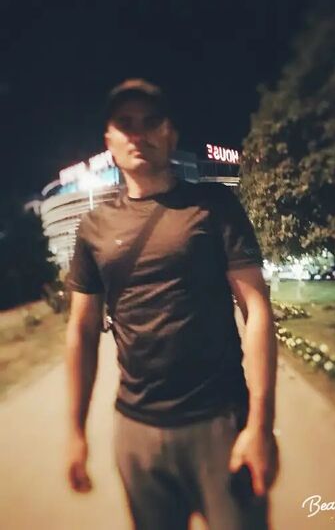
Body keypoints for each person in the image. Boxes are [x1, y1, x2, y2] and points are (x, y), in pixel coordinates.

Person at [65, 78, 279, 530]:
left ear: (171, 134)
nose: (138, 133)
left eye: (151, 121)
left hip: (221, 424)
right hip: (137, 433)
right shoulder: (94, 227)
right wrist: (75, 432)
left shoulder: (213, 205)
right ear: (109, 140)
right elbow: (82, 332)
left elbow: (257, 310)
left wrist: (260, 426)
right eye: (125, 123)